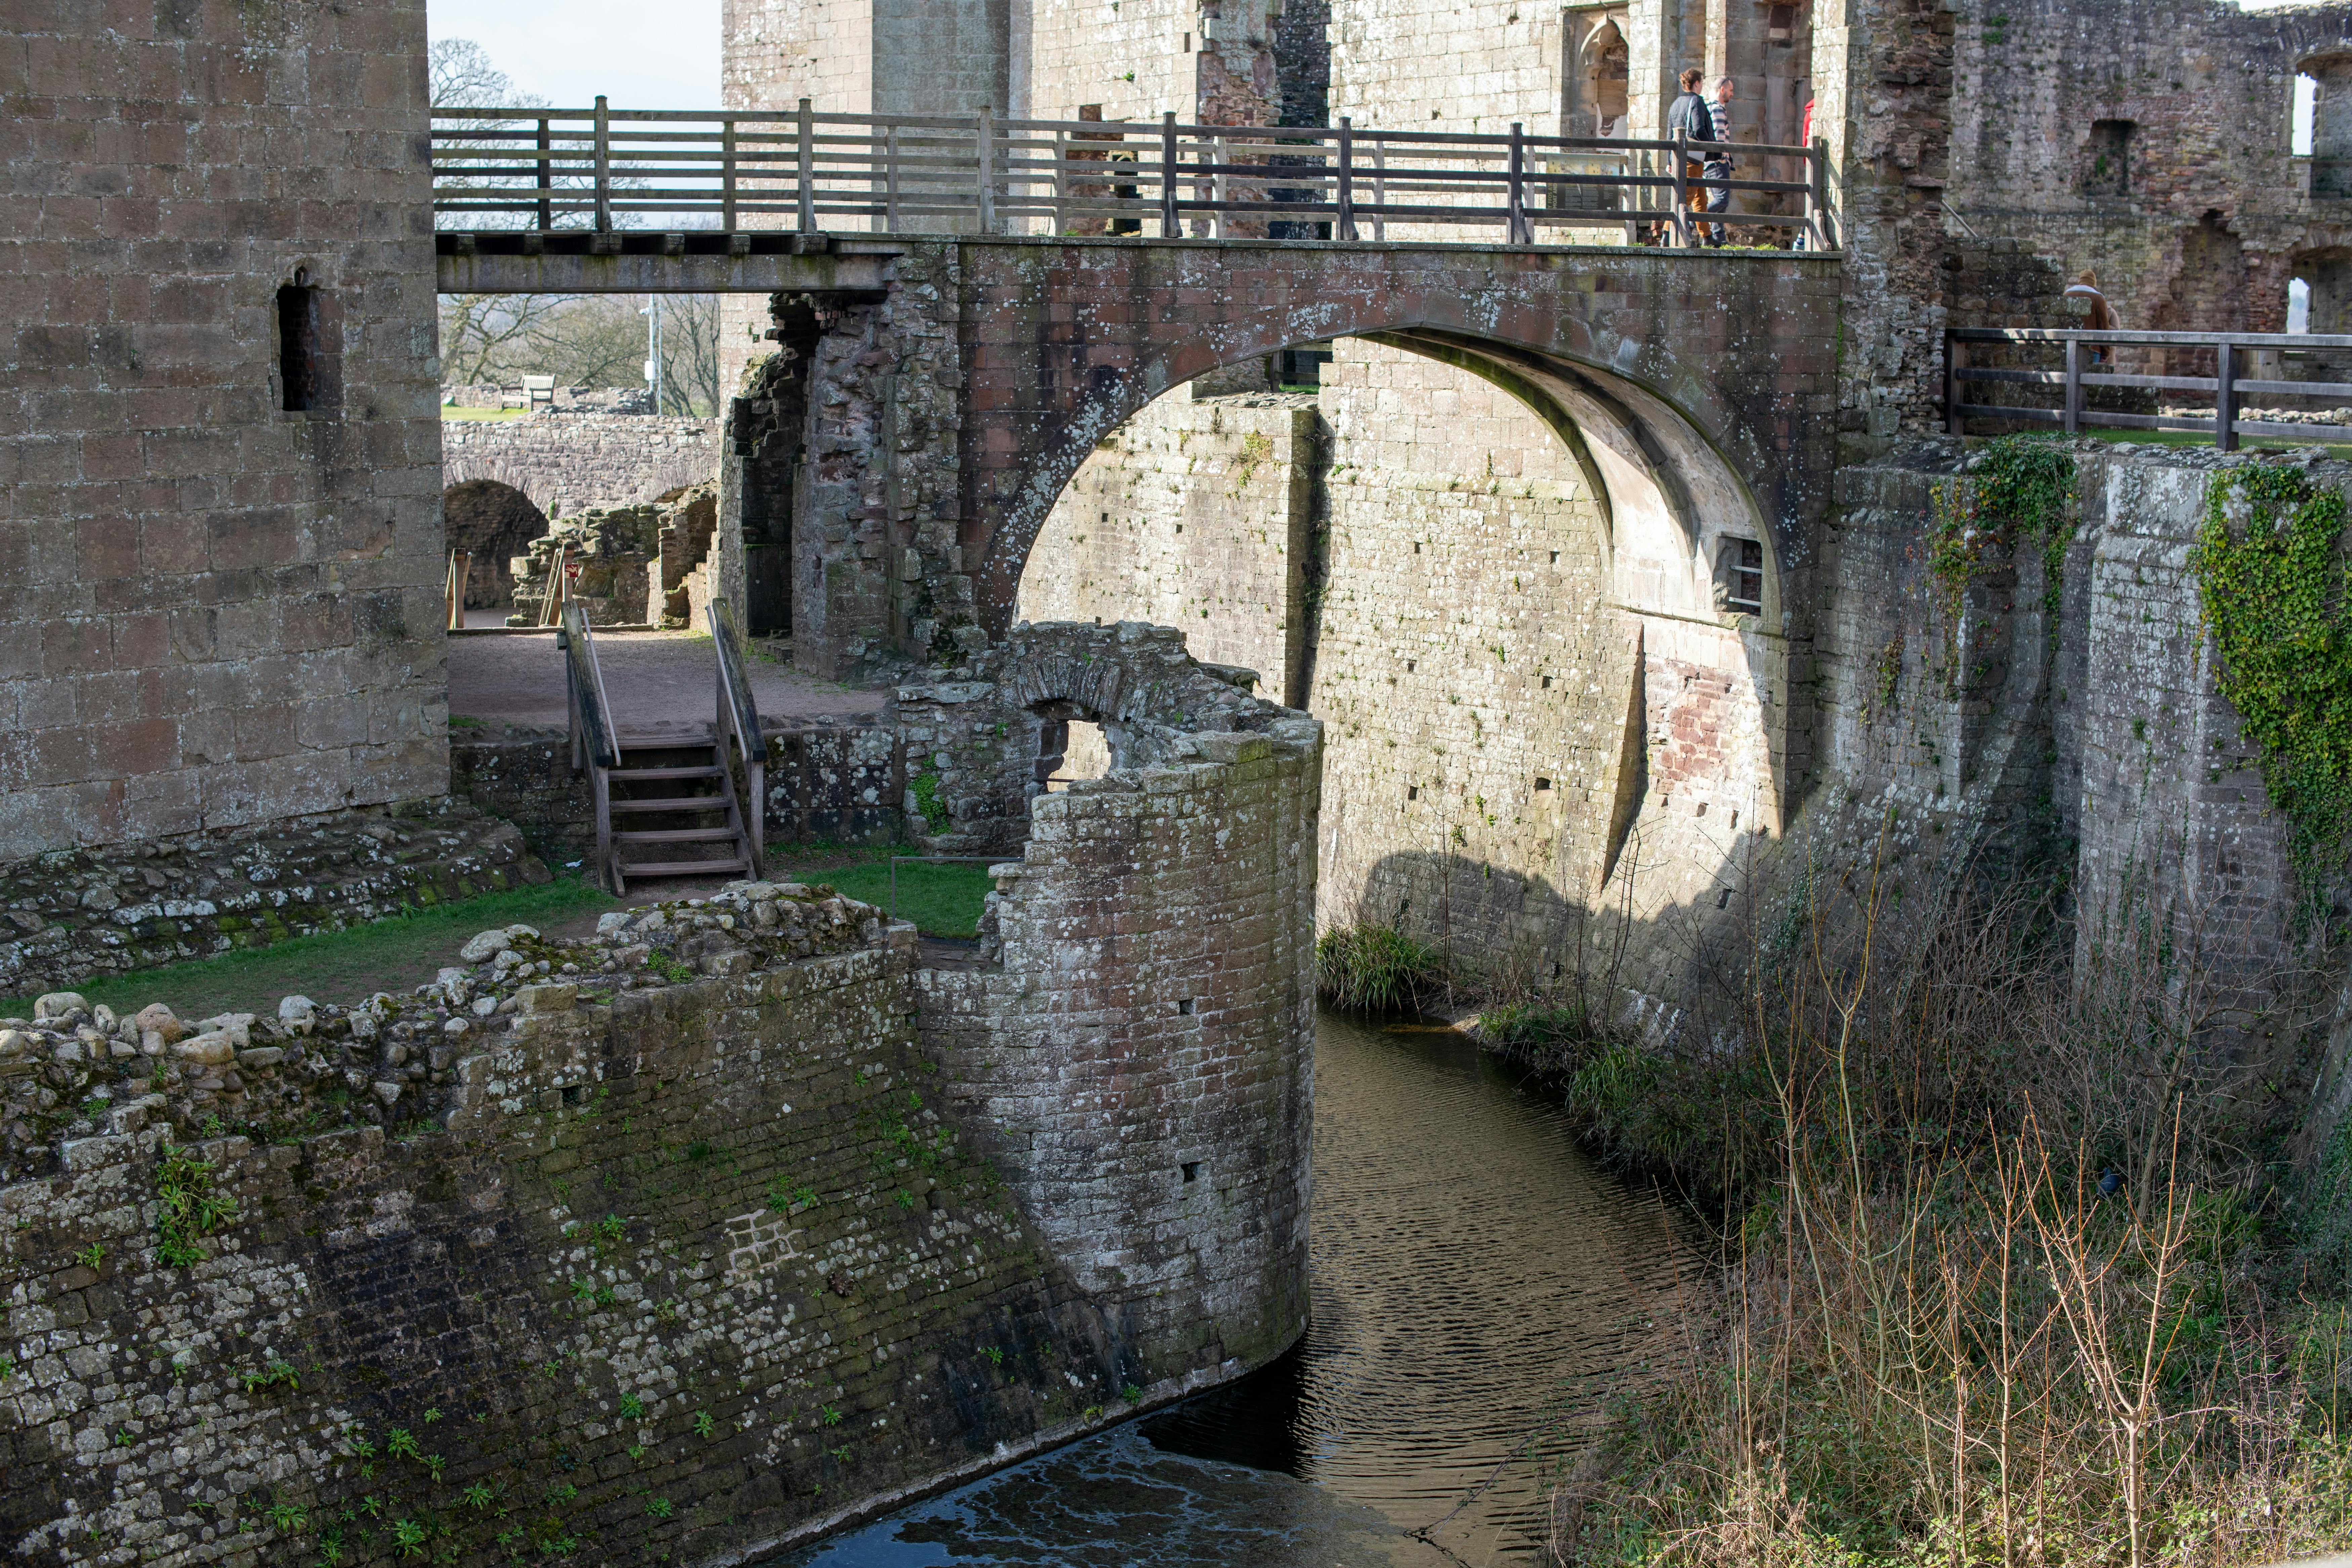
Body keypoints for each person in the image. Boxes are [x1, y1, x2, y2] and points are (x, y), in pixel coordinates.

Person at [1666, 68, 1714, 243]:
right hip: (1693, 157)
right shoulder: (1697, 102)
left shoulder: (1675, 103)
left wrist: (1669, 160)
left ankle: (1707, 236)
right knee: (1683, 198)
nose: (1702, 87)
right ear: (1696, 83)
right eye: (1701, 83)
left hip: (1678, 157)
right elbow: (1699, 128)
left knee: (1700, 196)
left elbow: (1668, 134)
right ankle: (1666, 233)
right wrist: (1712, 147)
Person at [1704, 76, 1737, 246]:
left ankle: (1719, 237)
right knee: (1722, 199)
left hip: (1713, 162)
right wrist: (1722, 158)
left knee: (1719, 199)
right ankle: (1692, 220)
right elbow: (1718, 138)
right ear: (1722, 90)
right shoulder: (1717, 109)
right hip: (1718, 161)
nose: (1733, 94)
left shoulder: (1710, 107)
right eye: (1731, 90)